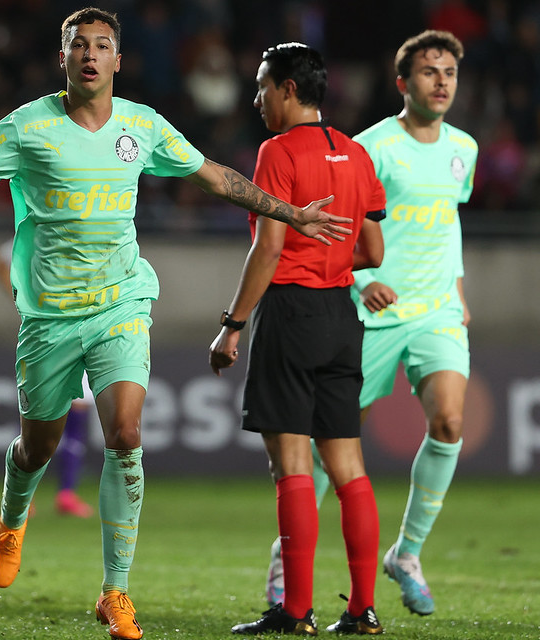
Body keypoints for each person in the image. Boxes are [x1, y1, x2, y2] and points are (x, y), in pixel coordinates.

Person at [0, 8, 354, 639]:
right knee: (40, 446)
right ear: (62, 58)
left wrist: (292, 213)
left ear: (118, 60)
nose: (90, 54)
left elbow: (217, 178)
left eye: (102, 45)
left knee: (125, 432)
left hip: (120, 305)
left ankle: (115, 592)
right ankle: (13, 516)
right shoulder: (27, 126)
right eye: (78, 45)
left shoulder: (141, 126)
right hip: (49, 317)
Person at [264, 29, 477, 618]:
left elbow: (447, 225)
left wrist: (457, 290)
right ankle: (287, 564)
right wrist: (361, 282)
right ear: (403, 81)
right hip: (374, 311)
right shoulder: (369, 146)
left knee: (451, 420)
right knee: (334, 448)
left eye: (450, 73)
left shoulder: (465, 148)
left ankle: (406, 555)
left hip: (436, 310)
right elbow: (336, 227)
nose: (442, 82)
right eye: (430, 72)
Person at [209, 43, 386, 636]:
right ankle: (362, 610)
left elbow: (269, 248)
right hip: (342, 315)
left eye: (262, 86)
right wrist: (333, 259)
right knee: (349, 468)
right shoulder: (356, 152)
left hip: (290, 312)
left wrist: (233, 325)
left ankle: (296, 610)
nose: (257, 98)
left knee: (291, 465)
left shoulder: (277, 151)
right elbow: (374, 251)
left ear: (287, 89)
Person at [0, 240, 94, 518]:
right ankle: (26, 496)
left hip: (83, 332)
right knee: (37, 417)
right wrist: (22, 301)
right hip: (47, 333)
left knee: (77, 411)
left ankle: (66, 494)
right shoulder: (39, 228)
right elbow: (0, 262)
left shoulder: (85, 230)